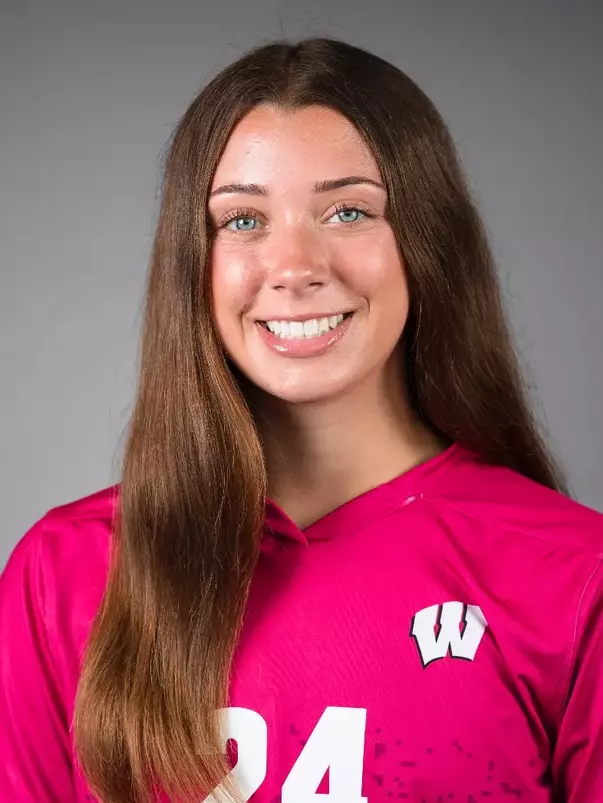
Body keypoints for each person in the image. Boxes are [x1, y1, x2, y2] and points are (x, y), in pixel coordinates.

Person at [1, 36, 602, 803]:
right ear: (194, 261)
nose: (294, 265)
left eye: (348, 210)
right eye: (242, 221)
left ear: (427, 243)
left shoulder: (571, 578)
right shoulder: (66, 573)